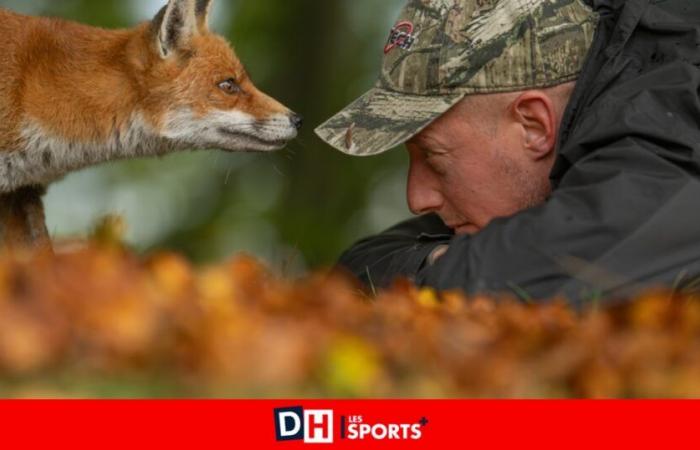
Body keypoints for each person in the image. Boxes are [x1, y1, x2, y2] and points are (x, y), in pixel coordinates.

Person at [315, 0, 700, 305]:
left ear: (534, 125)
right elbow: (361, 265)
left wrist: (446, 267)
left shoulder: (671, 113)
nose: (416, 198)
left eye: (434, 158)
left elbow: (572, 270)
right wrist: (437, 262)